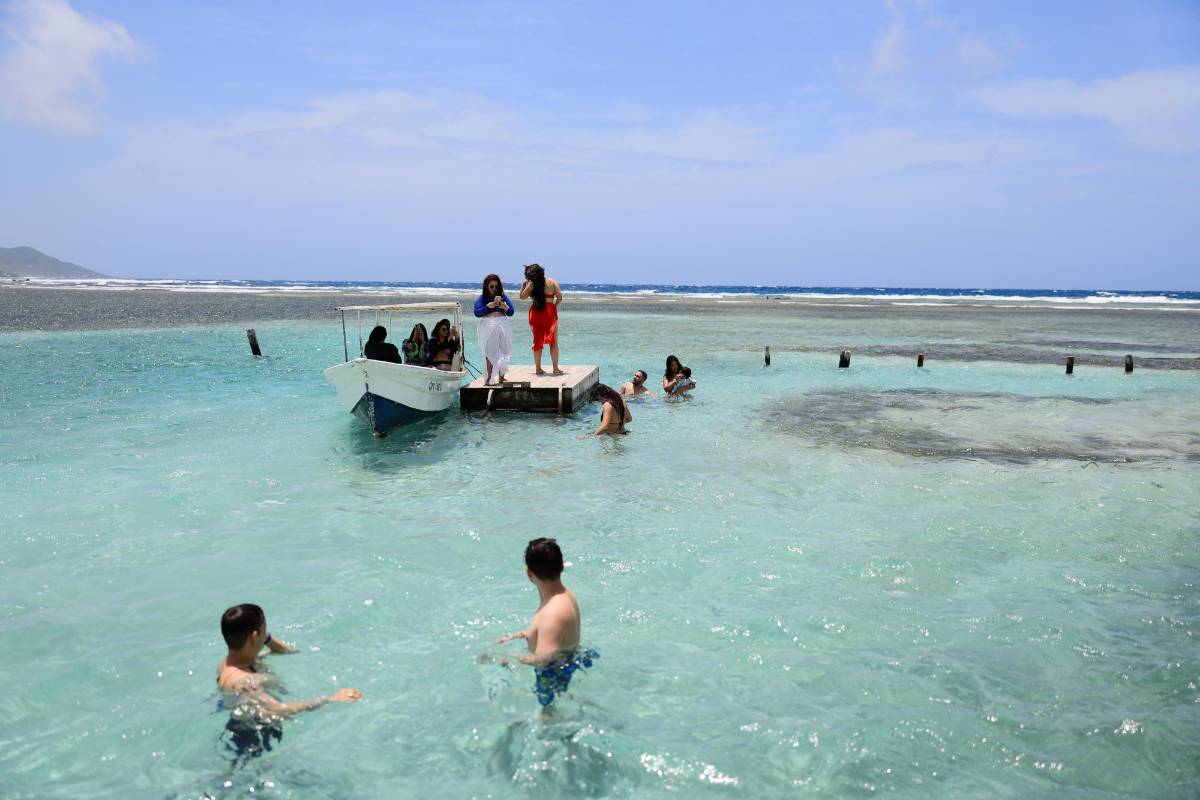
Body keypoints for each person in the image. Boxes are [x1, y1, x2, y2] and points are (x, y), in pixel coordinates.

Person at [217, 604, 361, 763]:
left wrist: (264, 637)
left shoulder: (232, 661)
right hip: (252, 736)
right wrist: (330, 699)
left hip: (242, 722)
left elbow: (289, 651)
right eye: (265, 629)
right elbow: (277, 712)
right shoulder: (245, 682)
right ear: (254, 636)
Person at [496, 538, 595, 708]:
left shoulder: (552, 614)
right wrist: (517, 635)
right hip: (566, 661)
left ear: (529, 573)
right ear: (562, 566)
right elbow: (548, 633)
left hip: (554, 673)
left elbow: (543, 659)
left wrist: (509, 658)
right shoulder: (562, 595)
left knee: (546, 720)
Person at [519, 263, 563, 376]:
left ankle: (538, 368)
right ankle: (555, 369)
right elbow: (560, 297)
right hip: (549, 312)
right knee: (553, 341)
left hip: (536, 312)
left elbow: (522, 297)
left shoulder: (529, 284)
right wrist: (554, 307)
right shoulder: (552, 282)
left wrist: (526, 286)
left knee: (537, 340)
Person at [474, 274, 515, 385]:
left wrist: (505, 307)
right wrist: (488, 307)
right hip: (488, 325)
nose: (494, 289)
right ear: (486, 286)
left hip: (503, 324)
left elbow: (511, 312)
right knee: (489, 352)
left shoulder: (503, 297)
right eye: (491, 286)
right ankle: (488, 379)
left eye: (496, 287)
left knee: (504, 351)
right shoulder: (482, 298)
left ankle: (501, 378)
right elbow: (477, 312)